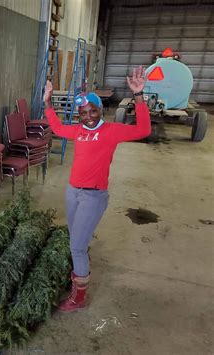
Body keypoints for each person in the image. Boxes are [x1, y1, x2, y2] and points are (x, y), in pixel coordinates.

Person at [43, 66, 151, 312]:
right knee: (76, 240)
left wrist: (138, 96)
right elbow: (58, 129)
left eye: (93, 111)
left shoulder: (111, 131)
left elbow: (143, 130)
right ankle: (78, 271)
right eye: (83, 112)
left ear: (100, 110)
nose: (88, 116)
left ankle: (78, 298)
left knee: (77, 247)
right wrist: (48, 103)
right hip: (73, 193)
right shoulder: (79, 130)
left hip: (93, 196)